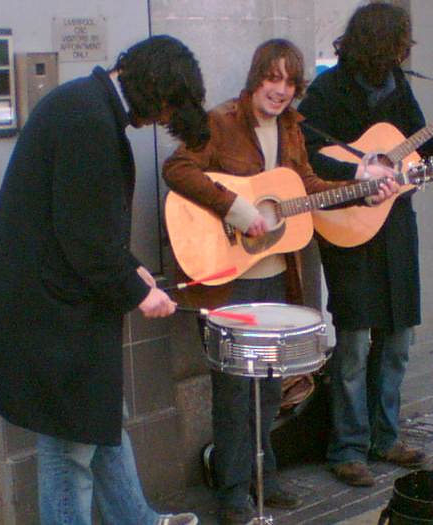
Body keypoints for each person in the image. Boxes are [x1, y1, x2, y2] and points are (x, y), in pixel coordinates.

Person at [0, 35, 210, 525]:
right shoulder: (88, 120)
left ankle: (138, 520)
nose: (160, 121)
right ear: (153, 91)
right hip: (51, 313)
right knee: (70, 449)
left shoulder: (86, 105)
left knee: (99, 423)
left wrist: (132, 269)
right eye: (164, 110)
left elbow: (82, 225)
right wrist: (141, 293)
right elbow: (86, 241)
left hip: (58, 301)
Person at [162, 38, 396, 524]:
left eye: (290, 81)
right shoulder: (222, 121)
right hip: (230, 278)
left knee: (271, 385)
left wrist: (363, 193)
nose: (281, 90)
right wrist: (237, 207)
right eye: (273, 78)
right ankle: (231, 493)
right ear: (256, 78)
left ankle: (262, 476)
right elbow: (177, 168)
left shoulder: (292, 129)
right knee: (232, 389)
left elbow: (305, 190)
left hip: (275, 275)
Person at [296, 2, 433, 487]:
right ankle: (348, 448)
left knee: (398, 339)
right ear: (380, 42)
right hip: (349, 228)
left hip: (396, 227)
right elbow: (305, 154)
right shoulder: (327, 90)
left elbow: (428, 148)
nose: (406, 49)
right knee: (355, 343)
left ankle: (387, 436)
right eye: (400, 40)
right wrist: (359, 173)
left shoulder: (398, 86)